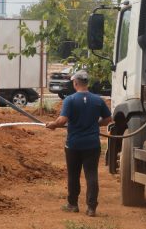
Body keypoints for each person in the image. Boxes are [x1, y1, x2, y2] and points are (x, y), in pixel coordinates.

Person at [45, 70, 111, 216]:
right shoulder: (98, 100)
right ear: (87, 83)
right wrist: (96, 125)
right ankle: (91, 207)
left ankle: (73, 204)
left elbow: (62, 120)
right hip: (92, 144)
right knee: (92, 175)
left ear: (75, 83)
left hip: (74, 145)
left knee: (73, 175)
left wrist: (53, 124)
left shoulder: (70, 100)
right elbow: (108, 119)